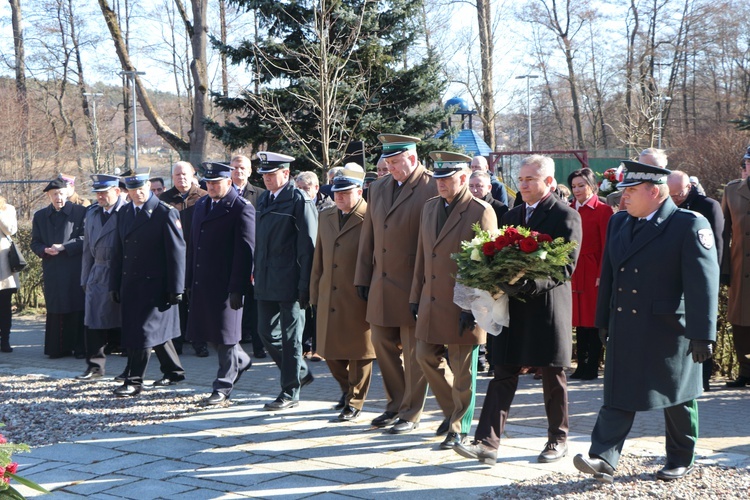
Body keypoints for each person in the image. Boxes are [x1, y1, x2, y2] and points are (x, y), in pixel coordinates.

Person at [574, 160, 718, 483]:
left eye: (631, 191)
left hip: (670, 329)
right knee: (618, 392)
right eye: (624, 191)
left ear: (654, 192)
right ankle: (603, 457)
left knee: (678, 397)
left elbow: (702, 284)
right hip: (626, 324)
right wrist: (603, 319)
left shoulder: (689, 224)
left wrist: (703, 333)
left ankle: (682, 457)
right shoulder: (620, 223)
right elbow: (609, 275)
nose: (624, 198)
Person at [455, 155, 582, 465]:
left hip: (547, 310)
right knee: (503, 371)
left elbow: (564, 266)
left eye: (531, 180)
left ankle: (558, 438)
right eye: (521, 179)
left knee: (553, 375)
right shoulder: (511, 215)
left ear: (549, 182)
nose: (523, 185)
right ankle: (486, 443)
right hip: (511, 308)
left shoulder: (565, 216)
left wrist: (528, 284)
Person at [411, 152, 497, 449]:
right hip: (432, 300)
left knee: (464, 372)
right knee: (423, 356)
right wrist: (415, 296)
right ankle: (452, 413)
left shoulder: (480, 210)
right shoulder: (430, 207)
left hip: (464, 304)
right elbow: (423, 255)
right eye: (438, 179)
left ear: (463, 178)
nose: (441, 185)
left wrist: (476, 307)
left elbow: (489, 264)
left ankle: (459, 429)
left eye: (446, 180)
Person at [354, 134, 438, 434]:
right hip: (381, 281)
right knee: (381, 343)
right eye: (386, 163)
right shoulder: (378, 187)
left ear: (412, 159)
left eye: (395, 162)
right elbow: (369, 235)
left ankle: (411, 412)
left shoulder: (430, 185)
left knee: (415, 352)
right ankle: (395, 404)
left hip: (416, 283)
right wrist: (362, 276)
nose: (389, 168)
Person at [109, 168, 187, 397]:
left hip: (155, 287)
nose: (138, 193)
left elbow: (177, 252)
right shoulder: (124, 213)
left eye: (141, 188)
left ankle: (134, 381)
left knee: (142, 333)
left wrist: (176, 288)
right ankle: (173, 371)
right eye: (133, 189)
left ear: (148, 188)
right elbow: (118, 250)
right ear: (128, 192)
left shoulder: (164, 212)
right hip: (131, 283)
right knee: (152, 332)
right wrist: (114, 283)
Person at [310, 166, 376, 421]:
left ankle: (355, 401)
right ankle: (347, 391)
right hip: (330, 294)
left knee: (360, 352)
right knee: (330, 351)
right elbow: (319, 259)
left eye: (345, 192)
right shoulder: (326, 216)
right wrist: (314, 292)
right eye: (337, 192)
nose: (339, 196)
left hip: (358, 295)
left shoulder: (370, 216)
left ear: (359, 192)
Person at [186, 162, 255, 405]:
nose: (212, 187)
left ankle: (223, 387)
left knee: (226, 337)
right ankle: (242, 361)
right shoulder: (202, 204)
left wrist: (238, 287)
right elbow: (195, 243)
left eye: (217, 182)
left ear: (229, 181)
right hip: (203, 281)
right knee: (211, 333)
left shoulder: (240, 208)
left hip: (226, 284)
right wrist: (189, 278)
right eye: (209, 183)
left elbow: (245, 252)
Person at [254, 151, 318, 410]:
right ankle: (300, 373)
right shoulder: (264, 200)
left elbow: (308, 246)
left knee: (292, 338)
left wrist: (305, 285)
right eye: (264, 175)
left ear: (286, 174)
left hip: (291, 281)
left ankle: (290, 392)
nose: (267, 179)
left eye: (272, 174)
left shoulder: (298, 200)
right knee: (265, 332)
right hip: (267, 278)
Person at [667, 169, 723, 390]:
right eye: (670, 195)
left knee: (702, 329)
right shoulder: (667, 206)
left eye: (678, 194)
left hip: (699, 280)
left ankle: (704, 378)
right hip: (673, 281)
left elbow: (716, 247)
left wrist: (711, 279)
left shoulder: (708, 206)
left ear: (688, 187)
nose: (674, 200)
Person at [77, 175, 128, 380]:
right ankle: (95, 367)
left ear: (117, 192)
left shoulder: (128, 212)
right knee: (93, 321)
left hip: (122, 272)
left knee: (129, 322)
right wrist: (85, 278)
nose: (100, 197)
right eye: (97, 193)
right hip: (97, 273)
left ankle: (133, 370)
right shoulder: (92, 214)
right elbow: (87, 250)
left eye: (104, 192)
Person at [30, 178, 87, 358]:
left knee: (76, 305)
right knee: (56, 308)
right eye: (54, 194)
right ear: (49, 196)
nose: (58, 198)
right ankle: (57, 349)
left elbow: (86, 238)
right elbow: (35, 242)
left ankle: (79, 348)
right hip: (52, 268)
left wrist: (64, 247)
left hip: (74, 268)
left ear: (67, 192)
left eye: (61, 193)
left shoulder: (80, 212)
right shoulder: (40, 216)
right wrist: (43, 250)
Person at [159, 161, 209, 357]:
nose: (181, 178)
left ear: (193, 174)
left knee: (197, 302)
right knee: (176, 303)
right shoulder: (164, 199)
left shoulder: (204, 197)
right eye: (177, 175)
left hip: (199, 258)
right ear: (173, 178)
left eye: (185, 174)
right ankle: (176, 343)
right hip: (173, 260)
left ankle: (200, 343)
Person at [567, 168, 613, 380]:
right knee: (578, 320)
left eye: (581, 185)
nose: (577, 190)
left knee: (592, 320)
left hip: (593, 269)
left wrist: (602, 273)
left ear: (592, 186)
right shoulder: (568, 209)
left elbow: (607, 245)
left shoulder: (603, 211)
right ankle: (580, 365)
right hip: (574, 270)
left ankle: (592, 366)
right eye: (574, 186)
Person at [229, 154, 267, 358]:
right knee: (233, 303)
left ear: (250, 171)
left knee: (254, 305)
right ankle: (233, 345)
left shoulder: (261, 195)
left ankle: (259, 346)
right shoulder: (224, 194)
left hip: (255, 256)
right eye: (234, 167)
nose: (238, 171)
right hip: (231, 257)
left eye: (242, 168)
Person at [720, 146, 750, 388]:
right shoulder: (731, 191)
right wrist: (724, 269)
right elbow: (723, 233)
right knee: (740, 321)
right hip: (741, 267)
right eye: (748, 162)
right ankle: (745, 371)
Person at [0, 194, 19, 353]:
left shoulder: (8, 209)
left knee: (4, 306)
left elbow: (11, 229)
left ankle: (4, 340)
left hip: (3, 268)